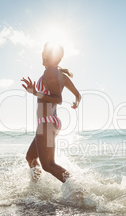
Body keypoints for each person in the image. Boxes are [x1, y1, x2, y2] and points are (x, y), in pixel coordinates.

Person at [21, 42, 81, 183]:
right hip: (50, 122)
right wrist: (76, 103)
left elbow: (58, 99)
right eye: (44, 52)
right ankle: (37, 188)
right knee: (30, 157)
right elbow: (78, 95)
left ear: (57, 58)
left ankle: (77, 188)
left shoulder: (51, 72)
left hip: (47, 123)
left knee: (48, 165)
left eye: (49, 53)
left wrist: (36, 92)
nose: (44, 55)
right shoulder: (61, 75)